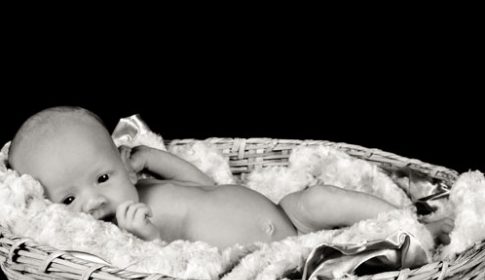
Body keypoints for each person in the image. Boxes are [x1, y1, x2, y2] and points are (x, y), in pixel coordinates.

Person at [7, 106, 454, 250]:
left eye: (103, 176)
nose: (93, 201)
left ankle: (408, 220)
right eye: (68, 200)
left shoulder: (145, 187)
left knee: (318, 198)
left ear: (125, 164)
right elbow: (165, 268)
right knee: (341, 253)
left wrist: (155, 159)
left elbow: (207, 185)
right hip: (264, 260)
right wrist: (147, 236)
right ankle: (404, 242)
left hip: (287, 217)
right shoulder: (122, 233)